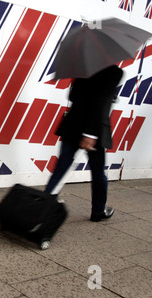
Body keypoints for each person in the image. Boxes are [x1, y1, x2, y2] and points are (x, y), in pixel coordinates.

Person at [45, 65, 124, 222]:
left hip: (72, 125)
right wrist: (90, 133)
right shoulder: (114, 71)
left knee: (61, 167)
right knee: (98, 172)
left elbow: (73, 96)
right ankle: (98, 211)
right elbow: (101, 102)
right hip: (93, 129)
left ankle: (43, 208)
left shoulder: (83, 68)